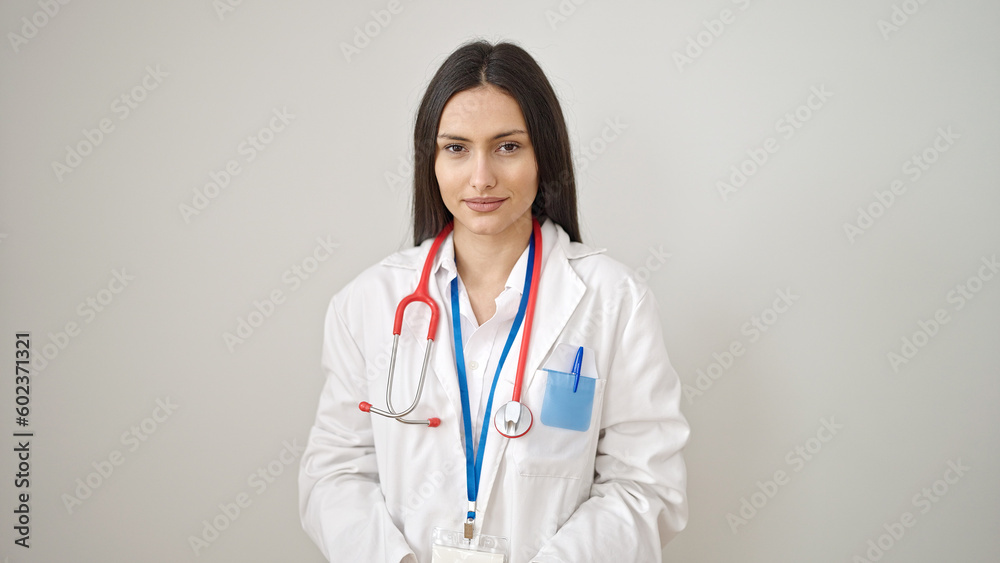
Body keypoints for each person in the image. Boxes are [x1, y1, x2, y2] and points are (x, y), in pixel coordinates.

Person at [299, 40, 688, 563]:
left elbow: (645, 488)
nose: (481, 177)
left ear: (542, 155)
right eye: (456, 148)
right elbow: (335, 473)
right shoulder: (367, 304)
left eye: (507, 147)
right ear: (431, 161)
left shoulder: (615, 301)